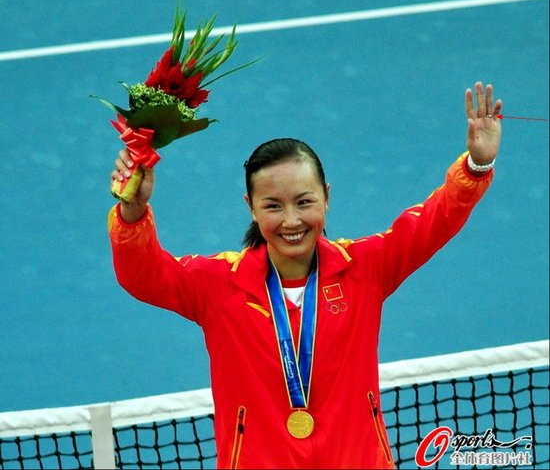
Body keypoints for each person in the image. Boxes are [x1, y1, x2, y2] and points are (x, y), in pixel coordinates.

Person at [108, 82, 502, 469]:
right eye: (273, 206)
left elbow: (433, 222)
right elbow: (142, 275)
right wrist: (133, 212)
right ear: (250, 207)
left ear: (327, 197)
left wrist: (476, 165)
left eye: (304, 202)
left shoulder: (366, 267)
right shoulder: (216, 285)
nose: (291, 220)